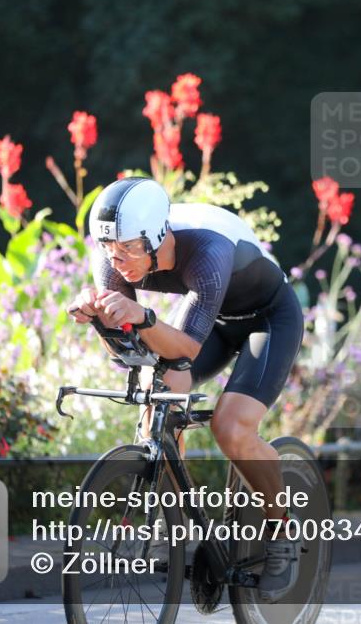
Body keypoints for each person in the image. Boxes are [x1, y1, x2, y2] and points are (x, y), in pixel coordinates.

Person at [67, 177, 305, 602]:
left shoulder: (208, 251)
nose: (119, 261)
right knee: (157, 391)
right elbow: (129, 354)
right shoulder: (114, 256)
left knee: (231, 428)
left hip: (268, 319)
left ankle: (282, 530)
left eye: (130, 250)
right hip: (212, 319)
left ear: (157, 237)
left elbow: (188, 348)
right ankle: (173, 521)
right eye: (110, 249)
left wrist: (142, 316)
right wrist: (102, 321)